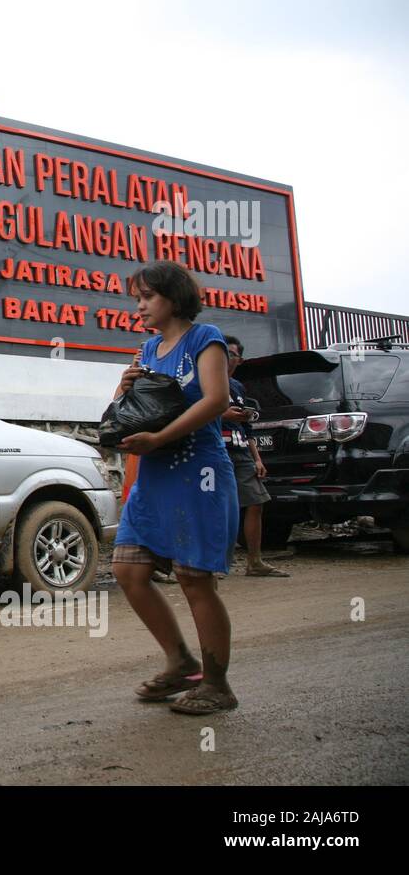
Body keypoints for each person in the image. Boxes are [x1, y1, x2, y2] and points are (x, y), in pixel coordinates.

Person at [111, 261, 240, 714]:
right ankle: (181, 663)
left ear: (173, 296)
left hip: (196, 473)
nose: (140, 306)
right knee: (128, 570)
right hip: (153, 476)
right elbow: (130, 414)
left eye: (147, 297)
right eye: (136, 299)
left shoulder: (206, 339)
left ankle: (217, 684)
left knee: (194, 578)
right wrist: (121, 390)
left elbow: (216, 400)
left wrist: (161, 439)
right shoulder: (147, 350)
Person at [224, 335, 289, 577]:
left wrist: (257, 459)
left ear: (239, 360)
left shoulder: (239, 387)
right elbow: (194, 414)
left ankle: (255, 561)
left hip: (242, 452)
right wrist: (223, 416)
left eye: (233, 354)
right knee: (221, 507)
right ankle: (218, 563)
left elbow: (248, 429)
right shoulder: (203, 381)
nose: (228, 358)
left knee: (256, 502)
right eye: (224, 352)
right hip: (215, 450)